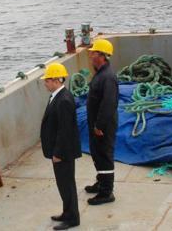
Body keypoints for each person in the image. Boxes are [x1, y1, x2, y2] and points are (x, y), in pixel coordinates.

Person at [40, 63, 81, 230]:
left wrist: (58, 152)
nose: (45, 83)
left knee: (67, 184)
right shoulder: (58, 96)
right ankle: (67, 212)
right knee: (63, 183)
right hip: (60, 151)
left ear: (56, 80)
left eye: (47, 80)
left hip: (63, 153)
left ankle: (72, 218)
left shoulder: (63, 100)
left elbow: (65, 131)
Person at [85, 38, 118, 205]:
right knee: (97, 154)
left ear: (102, 56)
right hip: (96, 124)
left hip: (103, 127)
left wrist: (99, 126)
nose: (90, 55)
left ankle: (106, 192)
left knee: (104, 156)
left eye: (93, 53)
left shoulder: (108, 77)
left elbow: (109, 104)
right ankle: (101, 182)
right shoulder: (100, 74)